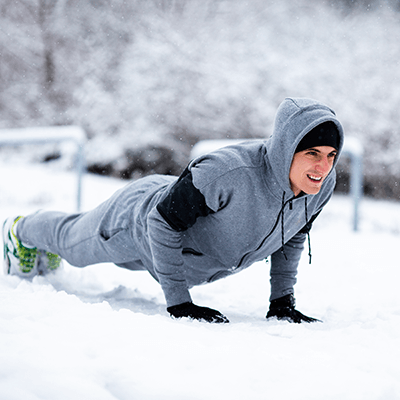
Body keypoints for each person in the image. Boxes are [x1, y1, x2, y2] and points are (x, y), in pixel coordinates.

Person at [2, 97, 344, 324]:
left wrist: (281, 302)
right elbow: (160, 222)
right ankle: (21, 230)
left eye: (331, 155)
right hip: (136, 222)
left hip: (182, 250)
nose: (322, 166)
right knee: (73, 245)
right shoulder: (229, 173)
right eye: (312, 153)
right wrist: (180, 303)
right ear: (287, 149)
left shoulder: (318, 186)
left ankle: (39, 241)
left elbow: (292, 235)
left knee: (82, 248)